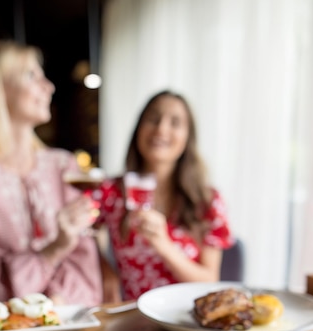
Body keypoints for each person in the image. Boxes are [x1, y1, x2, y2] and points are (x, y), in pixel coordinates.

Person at [0, 40, 103, 305]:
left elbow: (86, 268)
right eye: (31, 75)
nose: (49, 87)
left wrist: (55, 304)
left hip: (68, 320)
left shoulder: (64, 166)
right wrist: (54, 250)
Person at [98, 90, 234, 300]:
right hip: (134, 319)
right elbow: (82, 236)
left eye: (175, 122)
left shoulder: (207, 201)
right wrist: (105, 270)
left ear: (188, 137)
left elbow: (209, 281)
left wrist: (163, 243)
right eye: (153, 119)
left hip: (186, 320)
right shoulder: (111, 192)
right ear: (139, 129)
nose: (161, 129)